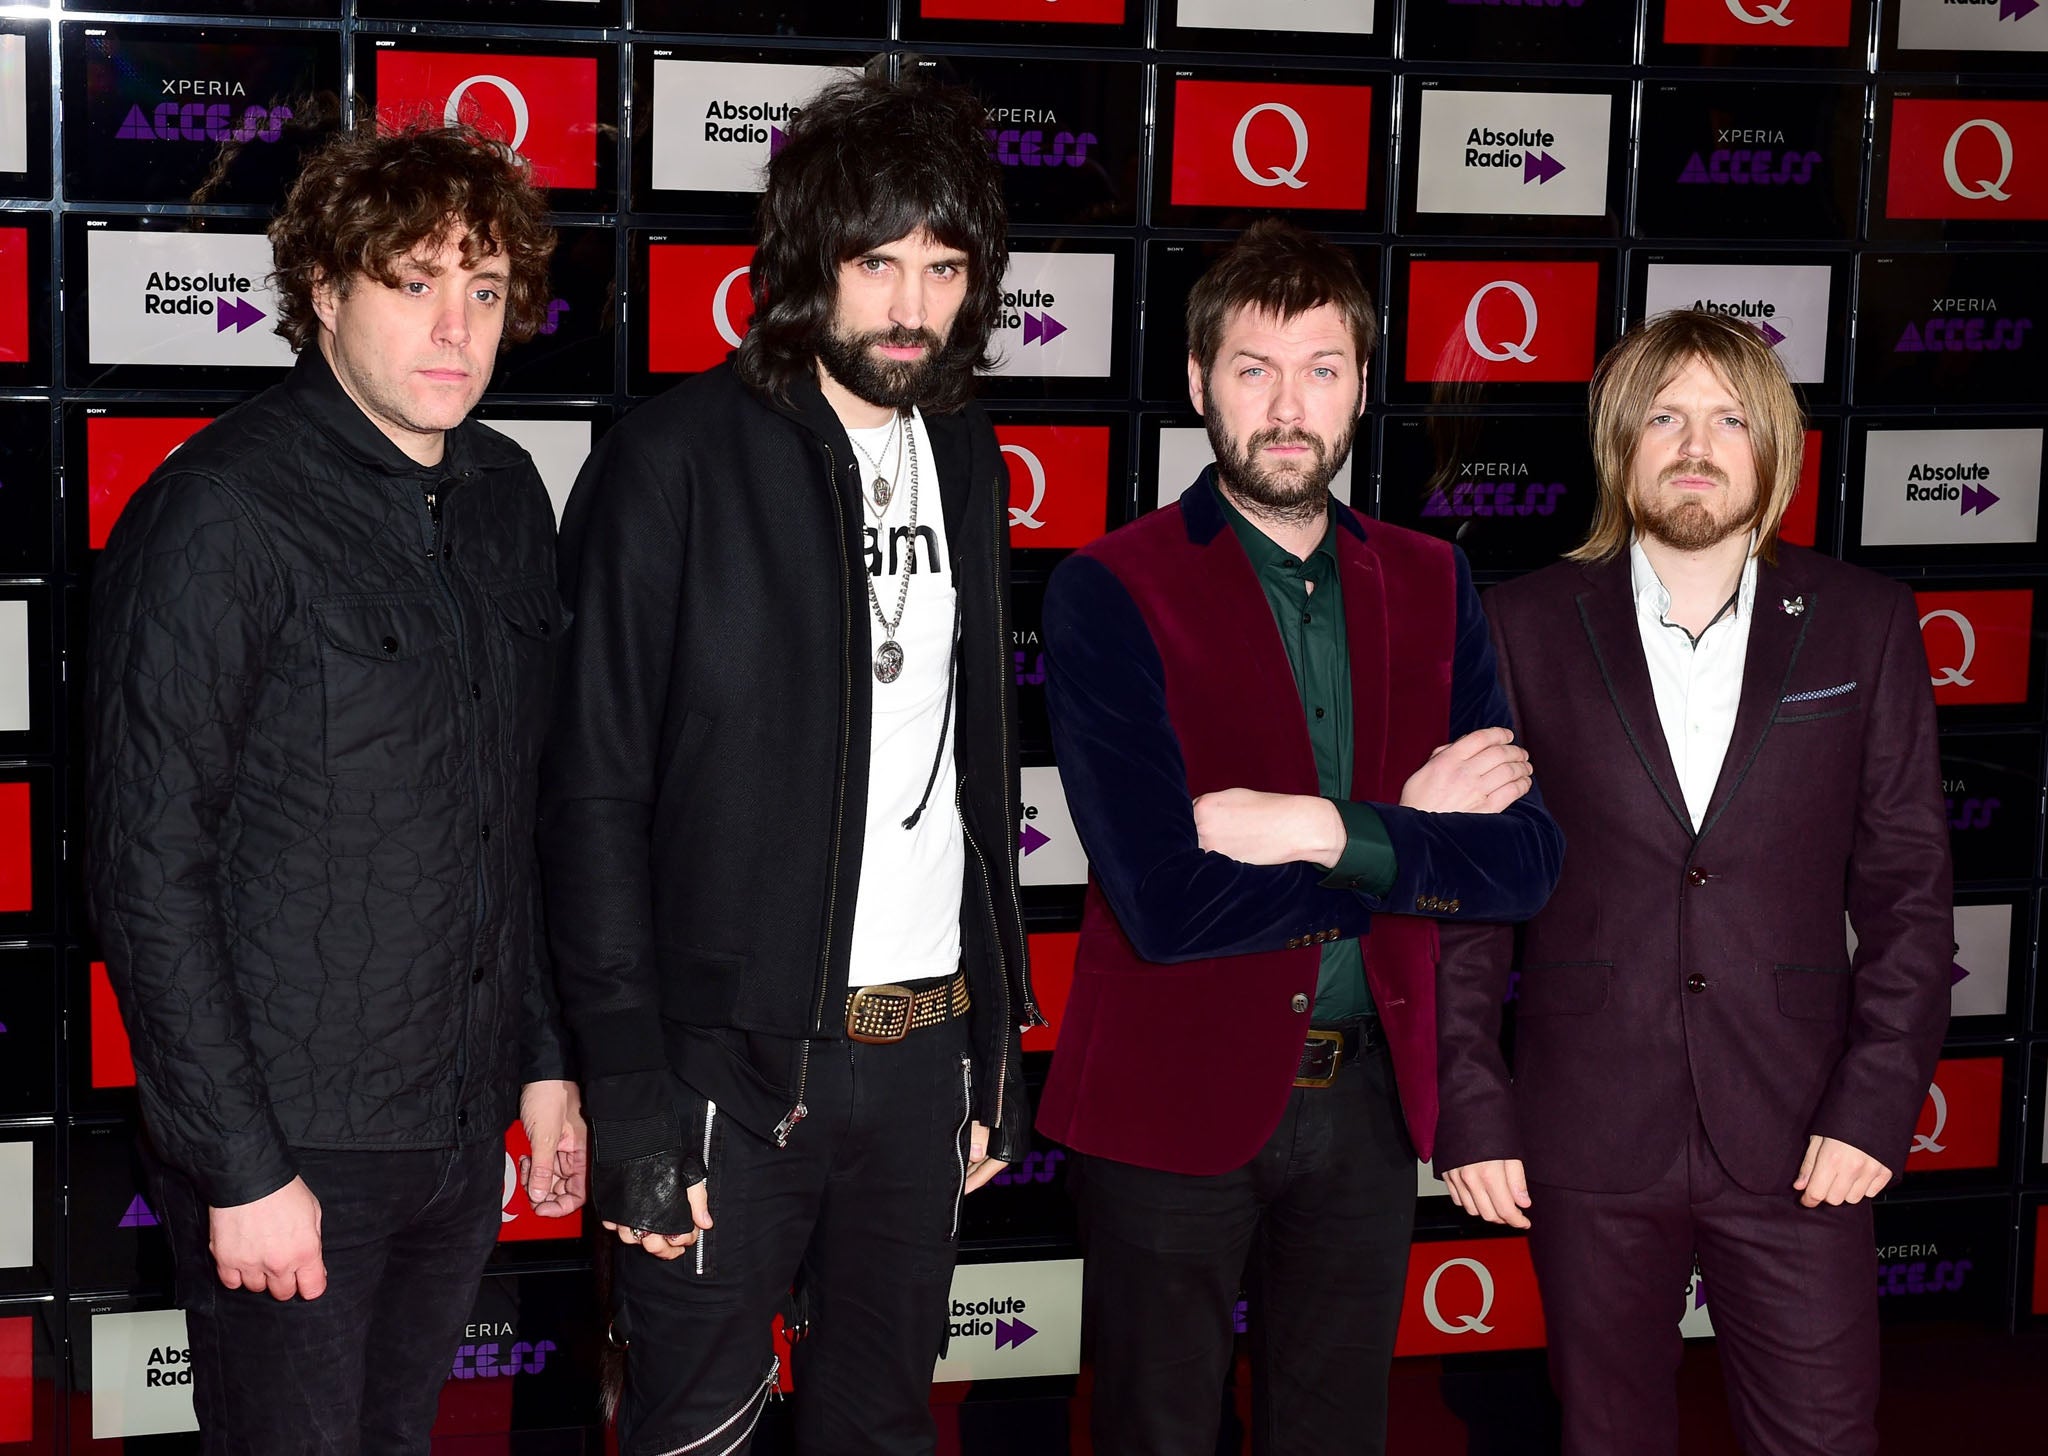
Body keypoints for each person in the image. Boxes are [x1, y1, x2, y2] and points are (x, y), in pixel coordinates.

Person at [540, 72, 1034, 1456]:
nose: (912, 307)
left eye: (944, 267)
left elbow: (976, 784)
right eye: (879, 263)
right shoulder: (673, 462)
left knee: (880, 1432)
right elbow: (591, 800)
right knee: (695, 1434)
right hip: (725, 1071)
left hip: (922, 1054)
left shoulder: (971, 457)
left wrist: (995, 1038)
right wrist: (630, 1093)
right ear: (809, 263)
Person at [86, 125, 585, 1455]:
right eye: (414, 281)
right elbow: (147, 864)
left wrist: (539, 1064)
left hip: (453, 1127)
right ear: (323, 293)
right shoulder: (223, 513)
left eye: (483, 292)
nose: (456, 327)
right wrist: (241, 1166)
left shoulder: (504, 495)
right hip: (290, 1140)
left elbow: (512, 813)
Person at [1035, 217, 1565, 1456]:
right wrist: (1400, 843)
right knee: (1152, 1434)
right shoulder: (1107, 586)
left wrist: (1313, 827)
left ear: (1362, 388)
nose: (1288, 405)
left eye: (1321, 368)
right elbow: (1164, 901)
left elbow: (1524, 860)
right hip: (1166, 1102)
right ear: (1196, 384)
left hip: (1368, 1105)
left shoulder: (1436, 582)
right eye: (1252, 368)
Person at [1436, 309, 1952, 1456]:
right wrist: (1471, 1104)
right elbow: (1470, 897)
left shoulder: (1862, 624)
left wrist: (1873, 1106)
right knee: (1606, 1437)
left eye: (1726, 418)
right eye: (1662, 416)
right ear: (1620, 442)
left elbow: (1911, 898)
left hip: (1800, 1130)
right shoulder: (1517, 624)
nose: (1693, 445)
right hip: (1584, 1128)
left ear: (1770, 447)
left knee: (1821, 1437)